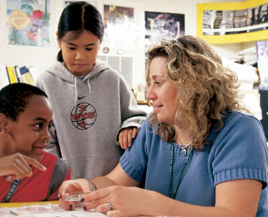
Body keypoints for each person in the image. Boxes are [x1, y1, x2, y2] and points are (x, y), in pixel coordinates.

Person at [57, 35, 268, 217]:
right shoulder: (153, 128)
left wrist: (151, 204)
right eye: (150, 84)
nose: (149, 95)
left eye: (158, 83)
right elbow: (115, 181)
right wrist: (87, 187)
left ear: (191, 84)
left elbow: (235, 214)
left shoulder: (240, 131)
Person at [36, 1, 146, 179]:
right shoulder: (45, 83)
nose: (80, 56)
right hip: (64, 185)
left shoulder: (113, 80)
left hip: (112, 182)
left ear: (100, 42)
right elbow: (43, 139)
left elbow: (137, 117)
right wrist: (57, 179)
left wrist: (130, 126)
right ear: (58, 40)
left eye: (89, 48)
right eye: (71, 47)